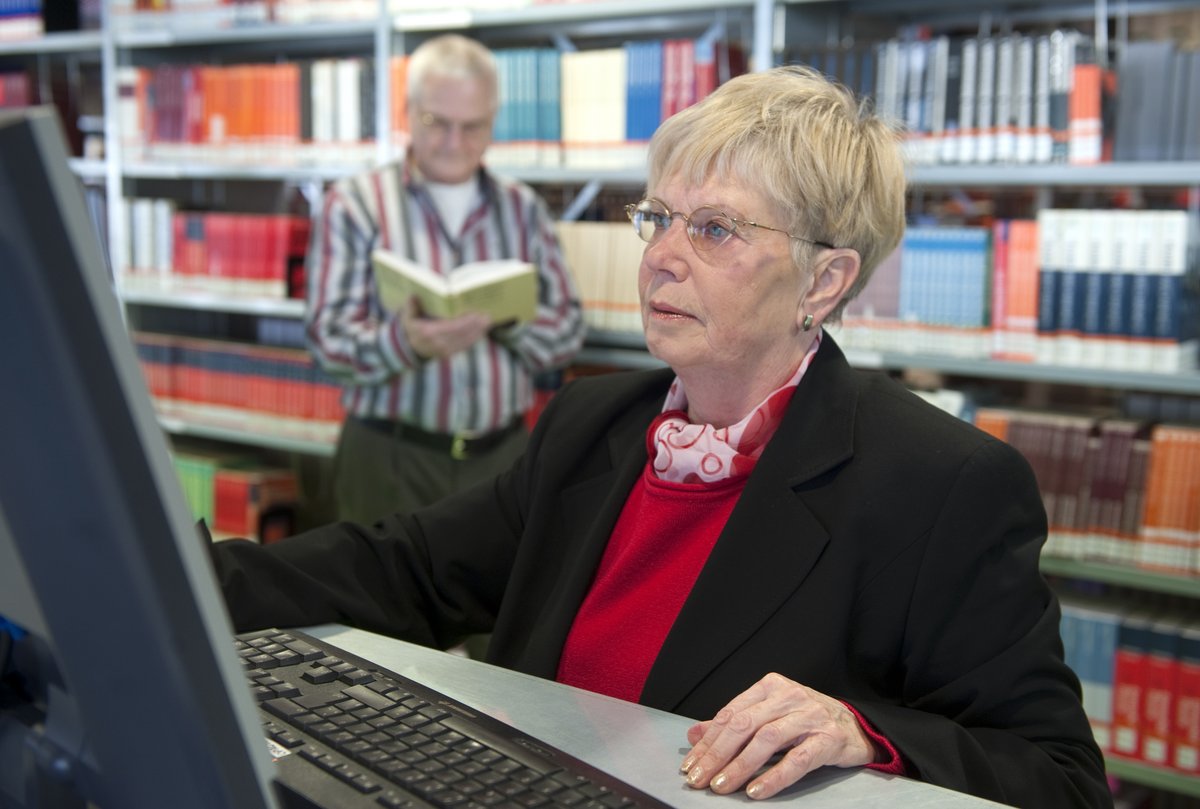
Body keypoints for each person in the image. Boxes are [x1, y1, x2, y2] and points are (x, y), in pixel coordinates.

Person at [212, 65, 1111, 807]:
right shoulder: (592, 423)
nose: (661, 257)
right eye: (658, 218)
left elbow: (1059, 775)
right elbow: (402, 567)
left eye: (714, 228)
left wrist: (865, 733)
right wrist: (166, 574)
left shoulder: (942, 482)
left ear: (826, 279)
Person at [305, 33, 586, 524]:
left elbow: (568, 331)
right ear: (408, 111)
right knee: (381, 599)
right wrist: (406, 343)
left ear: (493, 122)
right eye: (437, 123)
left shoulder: (523, 210)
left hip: (504, 459)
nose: (454, 143)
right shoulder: (355, 206)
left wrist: (509, 321)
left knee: (497, 602)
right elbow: (327, 343)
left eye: (472, 126)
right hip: (389, 459)